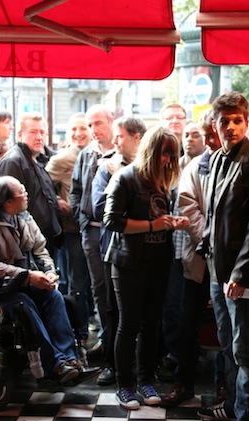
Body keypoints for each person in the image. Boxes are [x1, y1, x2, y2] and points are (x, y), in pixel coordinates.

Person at [0, 175, 101, 384]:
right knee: (24, 306)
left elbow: (40, 250)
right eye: (22, 192)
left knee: (55, 297)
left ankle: (71, 360)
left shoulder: (24, 218)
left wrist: (49, 272)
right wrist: (28, 276)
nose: (26, 195)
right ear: (8, 201)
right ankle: (55, 364)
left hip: (25, 283)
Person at [197, 92, 249, 421]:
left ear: (246, 121)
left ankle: (248, 419)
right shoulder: (217, 158)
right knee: (228, 345)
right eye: (224, 121)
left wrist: (240, 274)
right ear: (214, 125)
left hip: (241, 275)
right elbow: (214, 214)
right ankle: (232, 407)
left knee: (245, 350)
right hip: (218, 271)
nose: (230, 127)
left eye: (237, 120)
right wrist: (205, 248)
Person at [103, 126, 190, 410]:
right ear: (152, 151)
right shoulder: (126, 177)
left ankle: (145, 381)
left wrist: (172, 223)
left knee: (151, 325)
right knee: (128, 325)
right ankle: (125, 386)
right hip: (129, 262)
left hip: (158, 260)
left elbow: (159, 218)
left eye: (172, 155)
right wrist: (154, 225)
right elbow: (112, 221)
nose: (168, 160)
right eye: (165, 154)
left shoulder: (163, 180)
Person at [160, 109, 223, 407]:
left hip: (231, 261)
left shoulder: (247, 164)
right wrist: (211, 243)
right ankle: (183, 382)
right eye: (206, 134)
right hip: (198, 257)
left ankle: (225, 386)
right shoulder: (195, 167)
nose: (211, 140)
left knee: (227, 326)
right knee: (188, 323)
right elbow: (188, 207)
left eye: (213, 134)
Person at [91, 116, 147, 386]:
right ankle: (112, 365)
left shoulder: (150, 169)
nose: (114, 141)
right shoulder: (107, 168)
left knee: (146, 313)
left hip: (146, 252)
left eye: (119, 135)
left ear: (137, 138)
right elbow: (99, 209)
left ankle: (144, 367)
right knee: (114, 311)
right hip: (114, 249)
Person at [157, 120, 206, 382]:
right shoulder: (172, 168)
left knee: (191, 308)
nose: (189, 139)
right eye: (186, 135)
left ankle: (191, 355)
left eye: (195, 134)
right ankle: (175, 354)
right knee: (171, 306)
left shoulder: (206, 167)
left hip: (197, 248)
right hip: (172, 249)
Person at [69, 104, 115, 360]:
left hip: (116, 233)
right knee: (99, 289)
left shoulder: (122, 152)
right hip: (91, 232)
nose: (93, 129)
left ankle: (118, 343)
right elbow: (75, 190)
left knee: (116, 288)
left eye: (98, 123)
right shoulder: (86, 154)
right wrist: (82, 219)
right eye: (90, 124)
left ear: (111, 121)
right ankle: (106, 342)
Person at [45, 112, 92, 348]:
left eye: (83, 128)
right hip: (72, 231)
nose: (78, 133)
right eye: (73, 129)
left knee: (91, 285)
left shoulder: (98, 155)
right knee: (76, 283)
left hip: (96, 230)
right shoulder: (61, 159)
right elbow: (42, 187)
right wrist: (57, 201)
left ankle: (88, 329)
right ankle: (78, 333)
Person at [0, 112, 63, 257]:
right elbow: (10, 206)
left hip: (45, 238)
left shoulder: (37, 160)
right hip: (27, 243)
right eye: (33, 132)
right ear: (20, 135)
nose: (39, 137)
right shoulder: (13, 161)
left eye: (42, 132)